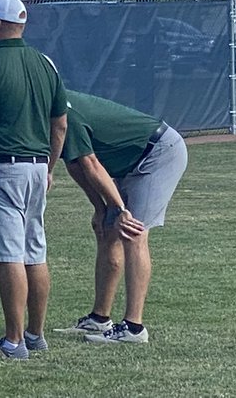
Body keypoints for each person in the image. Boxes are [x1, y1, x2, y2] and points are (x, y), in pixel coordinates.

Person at [0, 0, 67, 360]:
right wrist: (50, 167)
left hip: (2, 167)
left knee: (9, 255)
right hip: (39, 166)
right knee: (35, 251)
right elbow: (60, 125)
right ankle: (35, 334)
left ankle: (14, 341)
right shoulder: (46, 63)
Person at [55, 91, 187, 345]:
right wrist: (100, 208)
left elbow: (90, 163)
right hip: (131, 161)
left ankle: (134, 328)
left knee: (133, 232)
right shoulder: (49, 108)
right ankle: (99, 318)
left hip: (158, 153)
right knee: (107, 228)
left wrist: (118, 208)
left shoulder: (65, 110)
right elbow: (75, 164)